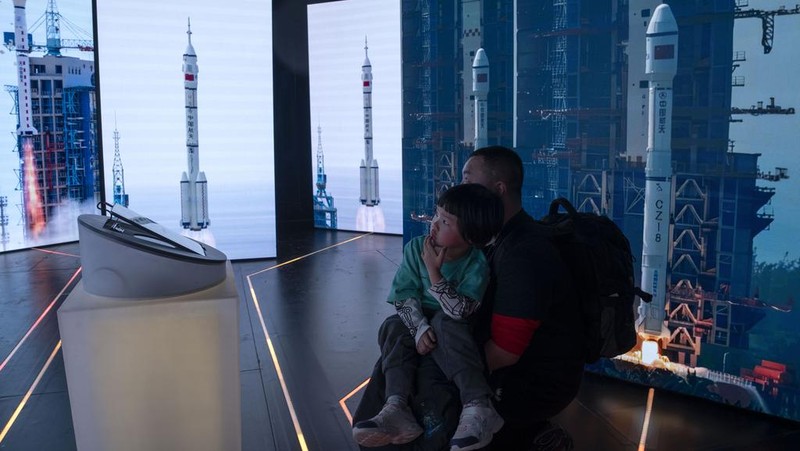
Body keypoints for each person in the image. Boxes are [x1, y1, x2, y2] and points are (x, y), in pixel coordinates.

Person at [352, 183, 505, 451]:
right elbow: (403, 295)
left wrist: (434, 273)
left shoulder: (476, 263)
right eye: (436, 215)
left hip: (454, 323)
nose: (434, 224)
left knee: (446, 323)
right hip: (421, 319)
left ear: (472, 235)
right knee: (392, 326)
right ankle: (395, 406)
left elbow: (460, 310)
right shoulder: (415, 248)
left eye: (445, 221)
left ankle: (478, 406)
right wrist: (419, 329)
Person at [463, 145, 585, 449]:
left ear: (498, 189)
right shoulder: (501, 239)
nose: (460, 190)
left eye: (467, 181)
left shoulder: (523, 253)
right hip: (521, 370)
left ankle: (536, 437)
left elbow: (505, 351)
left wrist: (450, 373)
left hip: (531, 384)